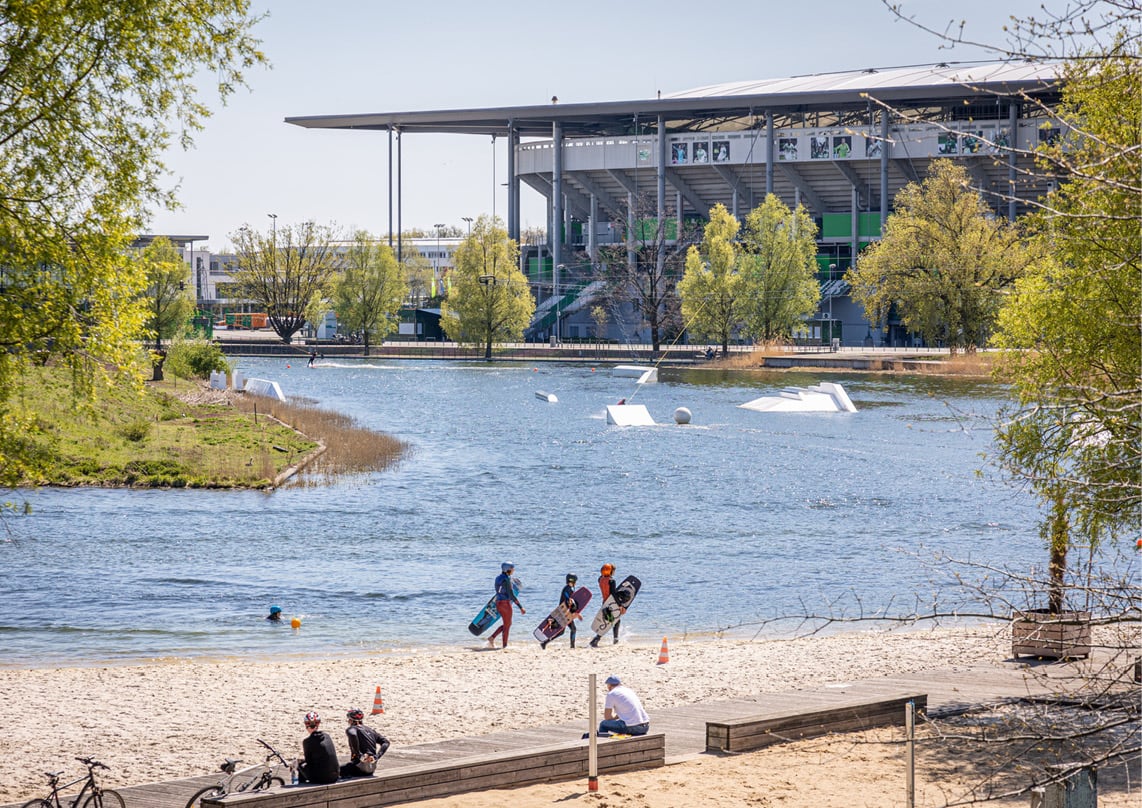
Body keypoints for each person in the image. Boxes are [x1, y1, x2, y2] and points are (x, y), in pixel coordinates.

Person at [339, 708, 390, 778]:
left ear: (350, 720)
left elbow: (353, 735)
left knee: (337, 770)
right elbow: (386, 742)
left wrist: (359, 755)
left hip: (359, 768)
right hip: (372, 768)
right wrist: (377, 757)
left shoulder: (352, 729)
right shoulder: (371, 730)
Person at [486, 562, 525, 648]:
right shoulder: (507, 579)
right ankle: (504, 646)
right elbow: (511, 595)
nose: (513, 570)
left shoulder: (498, 578)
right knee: (507, 626)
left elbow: (499, 591)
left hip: (498, 603)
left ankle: (492, 638)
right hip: (505, 604)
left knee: (507, 624)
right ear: (508, 569)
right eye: (512, 569)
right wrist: (520, 607)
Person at [540, 573, 581, 650]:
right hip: (564, 613)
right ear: (573, 581)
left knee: (562, 632)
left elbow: (569, 600)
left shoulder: (568, 588)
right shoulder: (567, 589)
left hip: (564, 612)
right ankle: (572, 647)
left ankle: (544, 643)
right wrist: (573, 606)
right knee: (573, 629)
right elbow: (568, 599)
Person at [297, 711, 340, 785]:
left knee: (300, 765)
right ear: (318, 724)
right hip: (335, 776)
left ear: (306, 725)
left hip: (322, 779)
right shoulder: (327, 736)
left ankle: (301, 786)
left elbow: (309, 762)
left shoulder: (307, 741)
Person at [588, 563, 622, 647]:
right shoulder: (612, 581)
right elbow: (613, 594)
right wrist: (620, 605)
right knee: (615, 621)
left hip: (604, 603)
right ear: (610, 571)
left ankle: (598, 639)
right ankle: (613, 640)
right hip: (611, 603)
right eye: (613, 571)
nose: (614, 572)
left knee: (609, 621)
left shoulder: (600, 579)